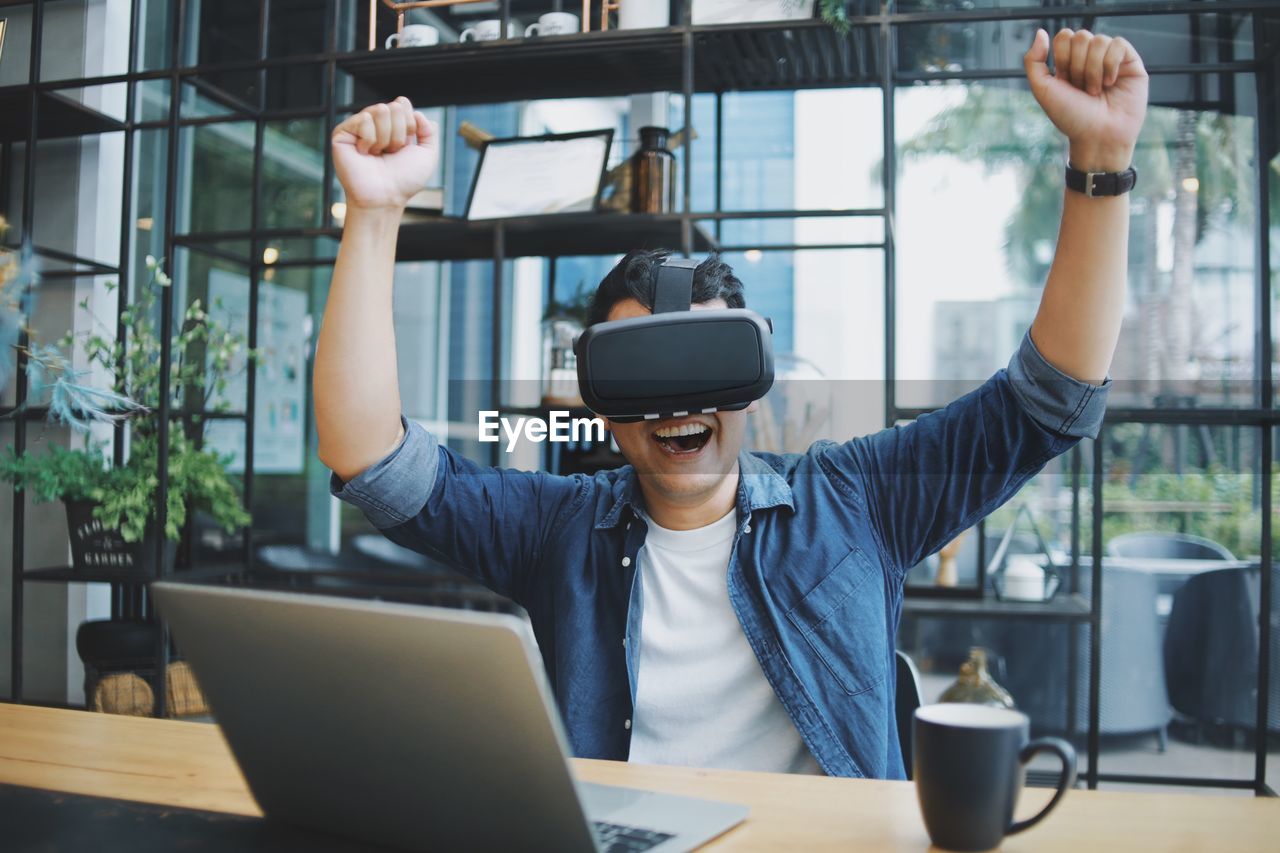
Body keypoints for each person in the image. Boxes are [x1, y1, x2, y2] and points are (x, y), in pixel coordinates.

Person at [315, 28, 1148, 779]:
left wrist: (1102, 161)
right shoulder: (555, 530)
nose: (678, 400)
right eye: (643, 373)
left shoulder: (857, 501)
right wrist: (377, 209)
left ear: (752, 379)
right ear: (602, 402)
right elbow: (374, 461)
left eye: (705, 364)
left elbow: (1048, 402)